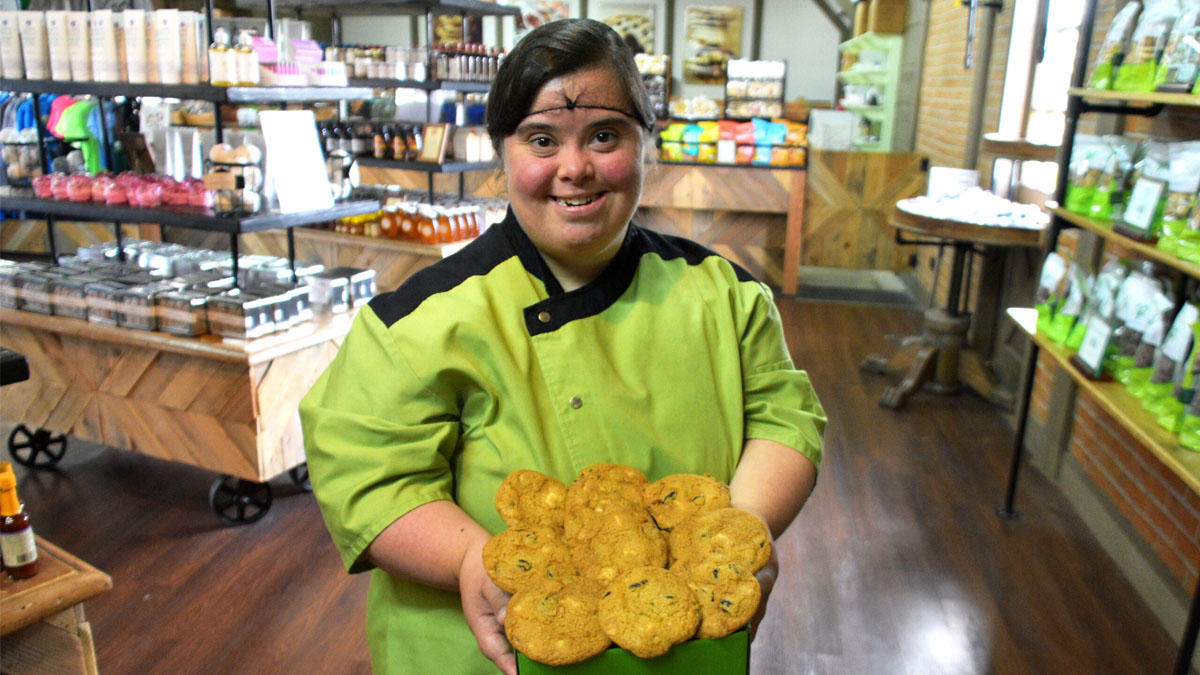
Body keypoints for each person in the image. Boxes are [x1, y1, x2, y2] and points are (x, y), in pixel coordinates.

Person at [299, 18, 825, 675]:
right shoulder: (417, 322)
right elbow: (369, 474)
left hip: (686, 650)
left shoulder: (727, 297)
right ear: (502, 153)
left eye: (604, 136)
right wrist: (469, 558)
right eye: (542, 139)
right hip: (477, 652)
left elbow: (783, 417)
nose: (574, 169)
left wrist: (734, 538)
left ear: (647, 146)